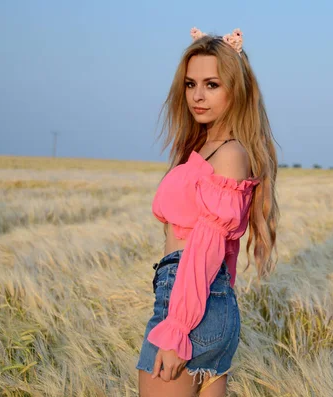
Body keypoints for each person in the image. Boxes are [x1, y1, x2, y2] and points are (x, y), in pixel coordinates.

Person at [136, 27, 279, 397]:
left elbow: (206, 248)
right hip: (208, 302)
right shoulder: (208, 147)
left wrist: (177, 330)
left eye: (212, 85)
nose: (197, 96)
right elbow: (223, 253)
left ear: (237, 89)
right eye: (190, 84)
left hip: (187, 302)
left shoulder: (229, 154)